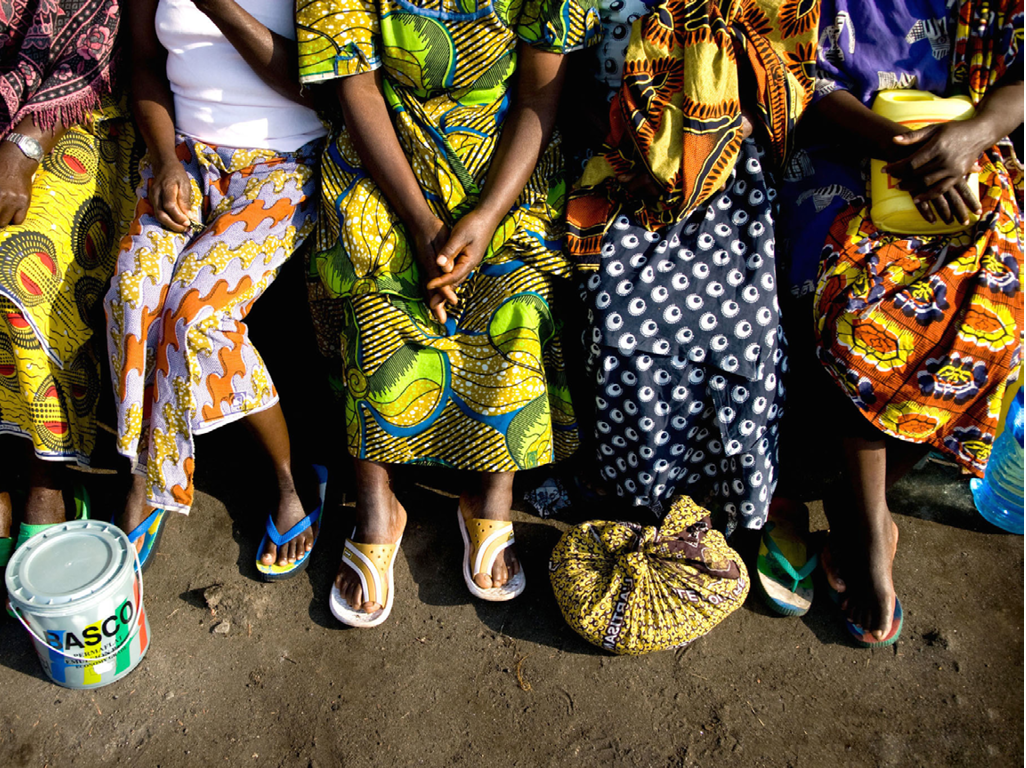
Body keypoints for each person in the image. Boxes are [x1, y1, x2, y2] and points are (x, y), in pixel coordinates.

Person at [295, 0, 600, 625]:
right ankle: (378, 502)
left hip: (504, 159)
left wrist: (486, 218)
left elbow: (538, 98)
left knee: (516, 290)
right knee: (366, 270)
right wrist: (422, 224)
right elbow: (357, 91)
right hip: (387, 159)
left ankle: (492, 493)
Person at [777, 0, 1023, 644]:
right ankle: (867, 529)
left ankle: (862, 513)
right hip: (841, 148)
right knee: (859, 307)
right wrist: (897, 146)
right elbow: (796, 68)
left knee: (998, 300)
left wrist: (968, 139)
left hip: (963, 149)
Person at [563, 0, 818, 534]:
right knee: (620, 325)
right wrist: (636, 152)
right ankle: (633, 492)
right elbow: (563, 80)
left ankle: (718, 499)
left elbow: (780, 84)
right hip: (620, 162)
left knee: (747, 334)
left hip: (724, 169)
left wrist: (692, 154)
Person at [104, 0, 328, 576]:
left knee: (196, 314)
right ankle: (146, 474)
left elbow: (314, 81)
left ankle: (290, 477)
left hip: (282, 164)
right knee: (133, 294)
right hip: (182, 157)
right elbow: (147, 65)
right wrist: (164, 159)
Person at [1, 0, 140, 573]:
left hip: (80, 117)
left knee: (17, 270)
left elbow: (92, 49)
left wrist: (18, 152)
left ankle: (46, 474)